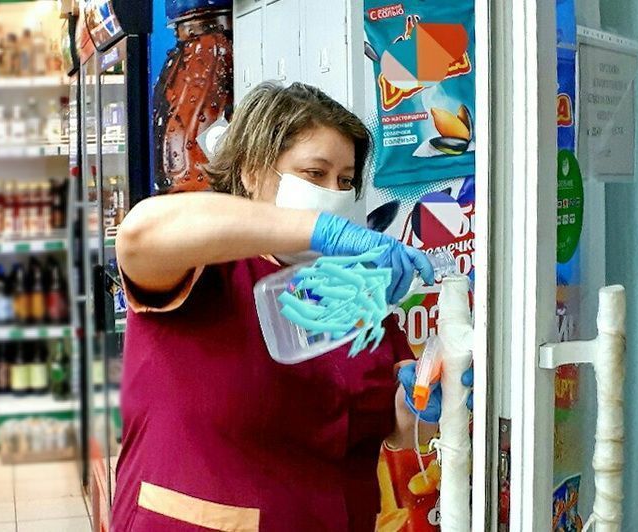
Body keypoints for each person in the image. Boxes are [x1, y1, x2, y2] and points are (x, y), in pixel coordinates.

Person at [114, 81, 469, 532]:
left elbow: (394, 427)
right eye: (314, 174)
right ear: (251, 172)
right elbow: (138, 235)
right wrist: (319, 229)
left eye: (345, 181)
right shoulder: (205, 266)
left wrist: (424, 401)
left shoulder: (353, 288)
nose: (334, 194)